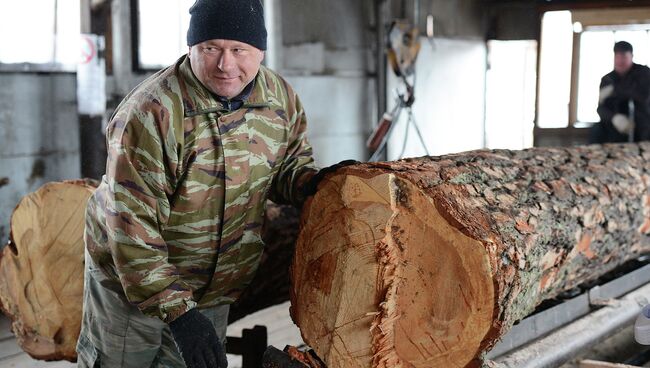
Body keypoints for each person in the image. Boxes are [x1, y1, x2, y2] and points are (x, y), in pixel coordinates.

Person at [75, 1, 355, 367]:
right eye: (210, 49)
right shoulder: (152, 113)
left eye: (239, 50)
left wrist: (310, 184)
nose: (226, 65)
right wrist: (180, 315)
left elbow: (287, 165)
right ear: (191, 48)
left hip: (214, 286)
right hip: (131, 287)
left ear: (260, 51)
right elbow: (131, 227)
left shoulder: (279, 99)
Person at [591, 41, 650, 143]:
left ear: (631, 56)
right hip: (616, 128)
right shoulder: (607, 79)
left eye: (624, 57)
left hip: (642, 126)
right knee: (597, 130)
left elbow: (643, 96)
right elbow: (601, 108)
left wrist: (615, 89)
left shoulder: (644, 73)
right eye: (617, 57)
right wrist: (614, 118)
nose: (620, 61)